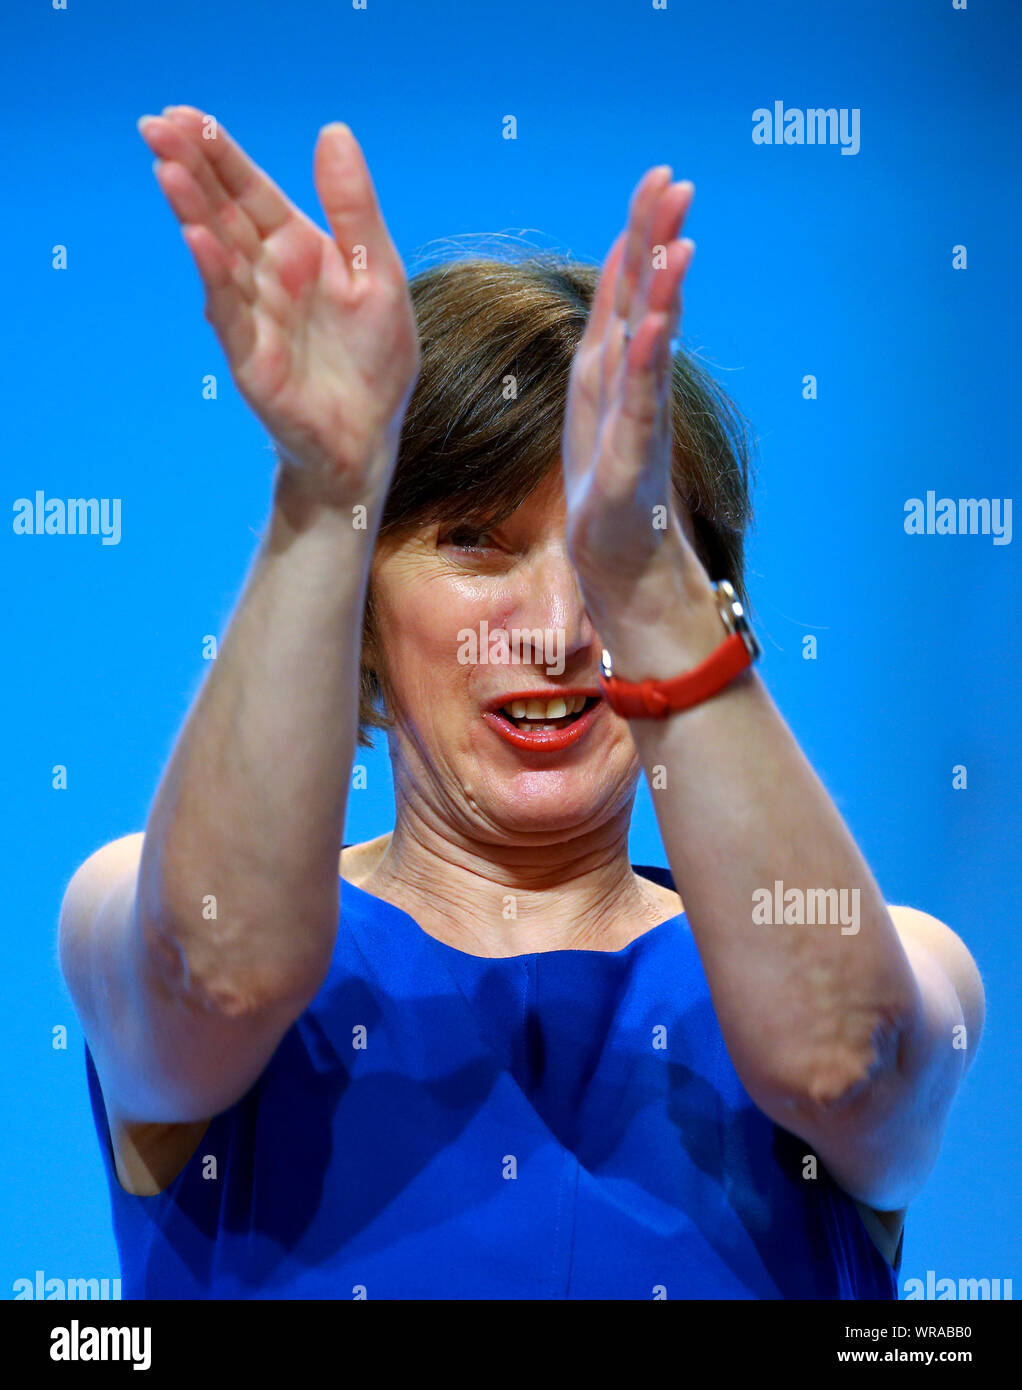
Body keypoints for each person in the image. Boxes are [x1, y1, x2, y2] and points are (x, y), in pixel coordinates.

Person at [59, 107, 984, 1300]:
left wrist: (647, 576)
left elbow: (839, 1061)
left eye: (604, 561)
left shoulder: (899, 966)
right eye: (474, 543)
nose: (553, 631)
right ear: (361, 622)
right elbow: (216, 971)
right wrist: (325, 491)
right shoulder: (133, 910)